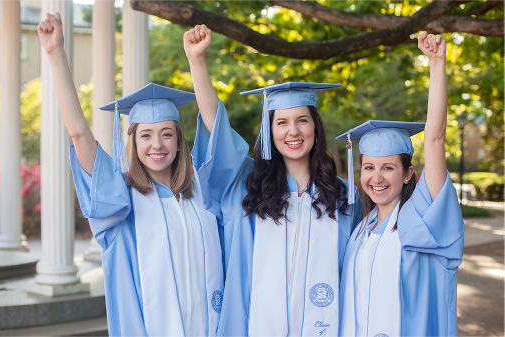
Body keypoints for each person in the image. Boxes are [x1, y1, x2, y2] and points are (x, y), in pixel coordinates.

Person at [38, 13, 223, 336]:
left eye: (167, 134)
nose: (157, 145)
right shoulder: (122, 200)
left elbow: (217, 129)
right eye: (146, 135)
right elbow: (80, 135)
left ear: (180, 142)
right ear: (133, 142)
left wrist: (197, 61)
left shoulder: (204, 195)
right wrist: (56, 54)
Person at [183, 25, 362, 336]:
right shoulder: (246, 184)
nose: (292, 131)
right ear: (270, 132)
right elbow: (218, 132)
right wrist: (197, 61)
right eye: (281, 122)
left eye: (302, 120)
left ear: (315, 128)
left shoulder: (343, 194)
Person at [337, 32, 464, 336]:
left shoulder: (419, 217)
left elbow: (434, 139)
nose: (376, 178)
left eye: (388, 168)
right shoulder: (360, 228)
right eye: (368, 167)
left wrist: (436, 63)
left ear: (408, 174)